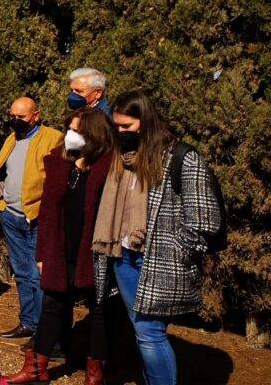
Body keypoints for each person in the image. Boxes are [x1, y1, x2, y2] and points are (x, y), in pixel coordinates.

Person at [91, 91, 223, 385]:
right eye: (116, 126)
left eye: (127, 126)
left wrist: (175, 250)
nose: (120, 132)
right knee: (142, 330)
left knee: (150, 332)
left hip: (159, 261)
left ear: (146, 121)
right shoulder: (121, 157)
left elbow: (205, 221)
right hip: (123, 257)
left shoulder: (182, 158)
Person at [4, 107, 115, 385]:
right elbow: (49, 210)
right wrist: (43, 252)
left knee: (98, 310)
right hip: (61, 247)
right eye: (69, 129)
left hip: (94, 251)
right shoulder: (61, 162)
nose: (70, 135)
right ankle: (37, 367)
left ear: (94, 134)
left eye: (77, 131)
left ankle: (95, 373)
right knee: (52, 304)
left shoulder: (109, 168)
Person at [0, 96, 63, 340]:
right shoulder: (12, 138)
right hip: (11, 215)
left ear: (36, 116)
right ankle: (28, 321)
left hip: (37, 218)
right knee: (20, 272)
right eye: (12, 116)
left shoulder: (53, 138)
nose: (15, 120)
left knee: (37, 275)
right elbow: (5, 171)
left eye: (21, 117)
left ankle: (42, 329)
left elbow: (57, 180)